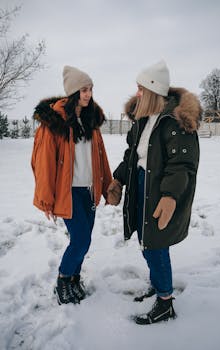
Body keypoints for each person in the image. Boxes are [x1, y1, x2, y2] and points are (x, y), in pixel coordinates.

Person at [107, 60, 201, 324]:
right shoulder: (142, 119)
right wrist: (118, 180)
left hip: (159, 190)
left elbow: (182, 165)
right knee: (146, 240)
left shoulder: (174, 121)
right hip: (141, 184)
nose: (136, 93)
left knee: (156, 245)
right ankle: (159, 284)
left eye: (140, 89)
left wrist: (170, 196)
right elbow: (132, 155)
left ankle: (164, 302)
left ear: (152, 90)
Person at [31, 65, 112, 305]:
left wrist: (107, 186)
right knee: (81, 240)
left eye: (90, 89)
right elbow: (44, 164)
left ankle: (74, 279)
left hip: (89, 190)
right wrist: (46, 198)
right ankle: (63, 279)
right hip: (69, 191)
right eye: (83, 90)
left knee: (84, 237)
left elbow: (100, 157)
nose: (88, 94)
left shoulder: (90, 121)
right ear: (72, 93)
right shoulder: (55, 124)